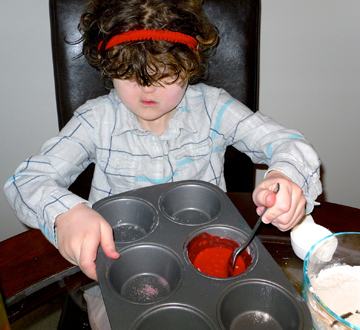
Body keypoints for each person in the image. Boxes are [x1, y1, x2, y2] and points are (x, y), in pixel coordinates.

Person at [4, 0, 322, 328]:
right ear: (108, 65)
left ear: (190, 63)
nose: (147, 88)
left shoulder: (214, 109)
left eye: (165, 73)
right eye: (129, 74)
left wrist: (285, 177)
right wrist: (65, 214)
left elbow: (290, 145)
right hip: (123, 278)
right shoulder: (96, 120)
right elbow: (25, 180)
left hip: (209, 268)